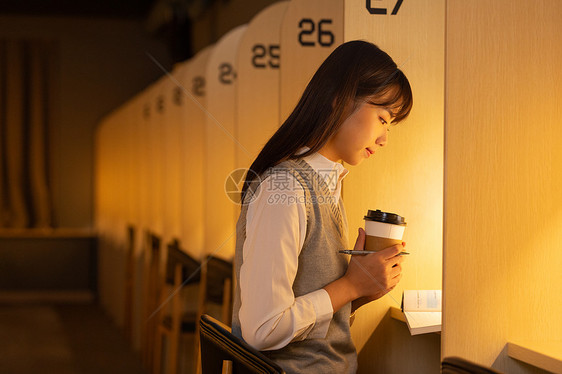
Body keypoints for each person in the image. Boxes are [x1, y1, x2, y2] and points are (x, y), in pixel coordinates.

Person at [231, 40, 413, 373]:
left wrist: (360, 292)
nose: (385, 138)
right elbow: (262, 329)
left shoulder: (329, 183)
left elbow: (306, 313)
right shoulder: (282, 190)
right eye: (383, 119)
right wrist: (349, 285)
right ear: (339, 102)